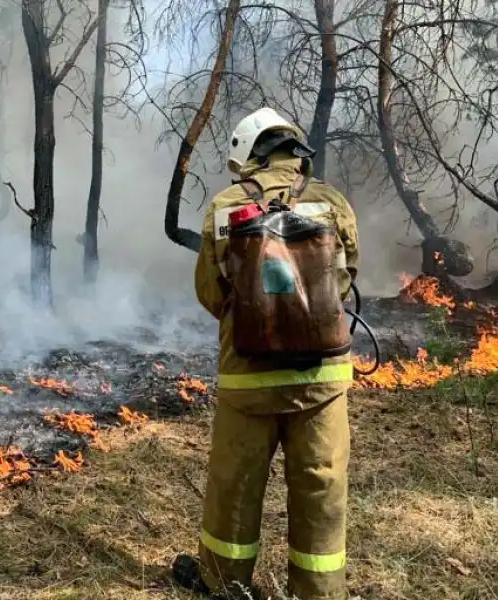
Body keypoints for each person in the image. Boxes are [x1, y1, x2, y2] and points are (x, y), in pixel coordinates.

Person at [172, 107, 360, 600]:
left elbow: (211, 293)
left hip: (248, 379)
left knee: (235, 485)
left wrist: (258, 316)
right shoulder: (332, 203)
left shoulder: (227, 206)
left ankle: (224, 583)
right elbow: (344, 281)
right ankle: (318, 591)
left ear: (248, 155)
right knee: (321, 485)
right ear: (295, 152)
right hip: (320, 379)